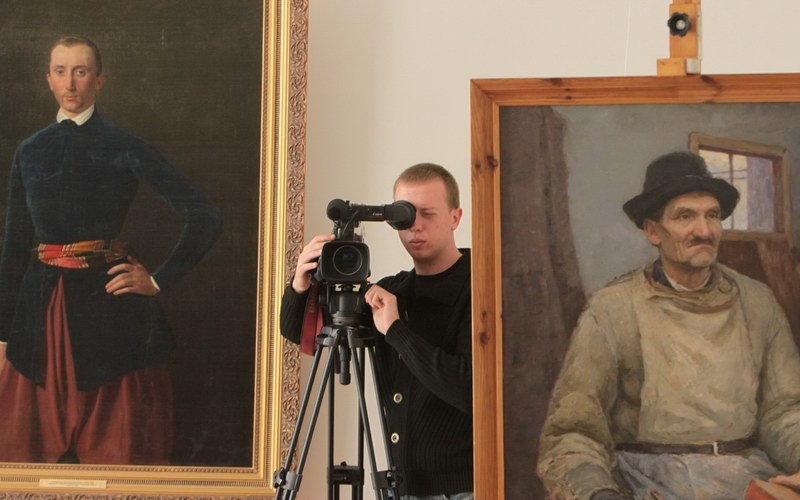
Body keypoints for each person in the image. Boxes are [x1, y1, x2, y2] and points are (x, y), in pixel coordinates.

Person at [0, 36, 221, 465]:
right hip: (37, 318)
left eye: (81, 72)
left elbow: (204, 216)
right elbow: (12, 246)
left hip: (111, 317)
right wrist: (2, 335)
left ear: (99, 80)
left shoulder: (125, 145)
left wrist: (157, 280)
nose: (71, 83)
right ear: (48, 79)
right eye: (61, 71)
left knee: (118, 454)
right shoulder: (29, 151)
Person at [537, 151, 800, 500]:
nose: (704, 231)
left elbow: (784, 412)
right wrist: (598, 493)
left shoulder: (757, 301)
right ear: (653, 231)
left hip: (746, 477)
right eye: (685, 216)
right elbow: (573, 431)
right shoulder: (613, 308)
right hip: (647, 482)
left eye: (712, 215)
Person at [279, 163, 473, 499]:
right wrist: (301, 282)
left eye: (428, 214)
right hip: (401, 485)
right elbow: (302, 333)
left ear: (455, 218)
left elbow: (470, 388)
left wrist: (395, 330)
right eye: (405, 216)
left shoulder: (480, 286)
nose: (416, 226)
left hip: (464, 489)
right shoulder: (391, 292)